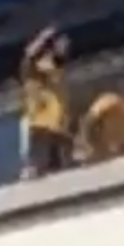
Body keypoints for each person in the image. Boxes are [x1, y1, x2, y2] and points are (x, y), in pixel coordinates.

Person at [20, 25, 73, 178]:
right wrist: (44, 38)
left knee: (57, 167)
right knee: (35, 167)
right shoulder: (35, 70)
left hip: (55, 125)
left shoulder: (57, 71)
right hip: (38, 125)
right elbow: (28, 59)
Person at [78, 91, 124, 163]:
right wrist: (90, 142)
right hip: (99, 143)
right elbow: (89, 120)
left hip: (115, 151)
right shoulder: (110, 101)